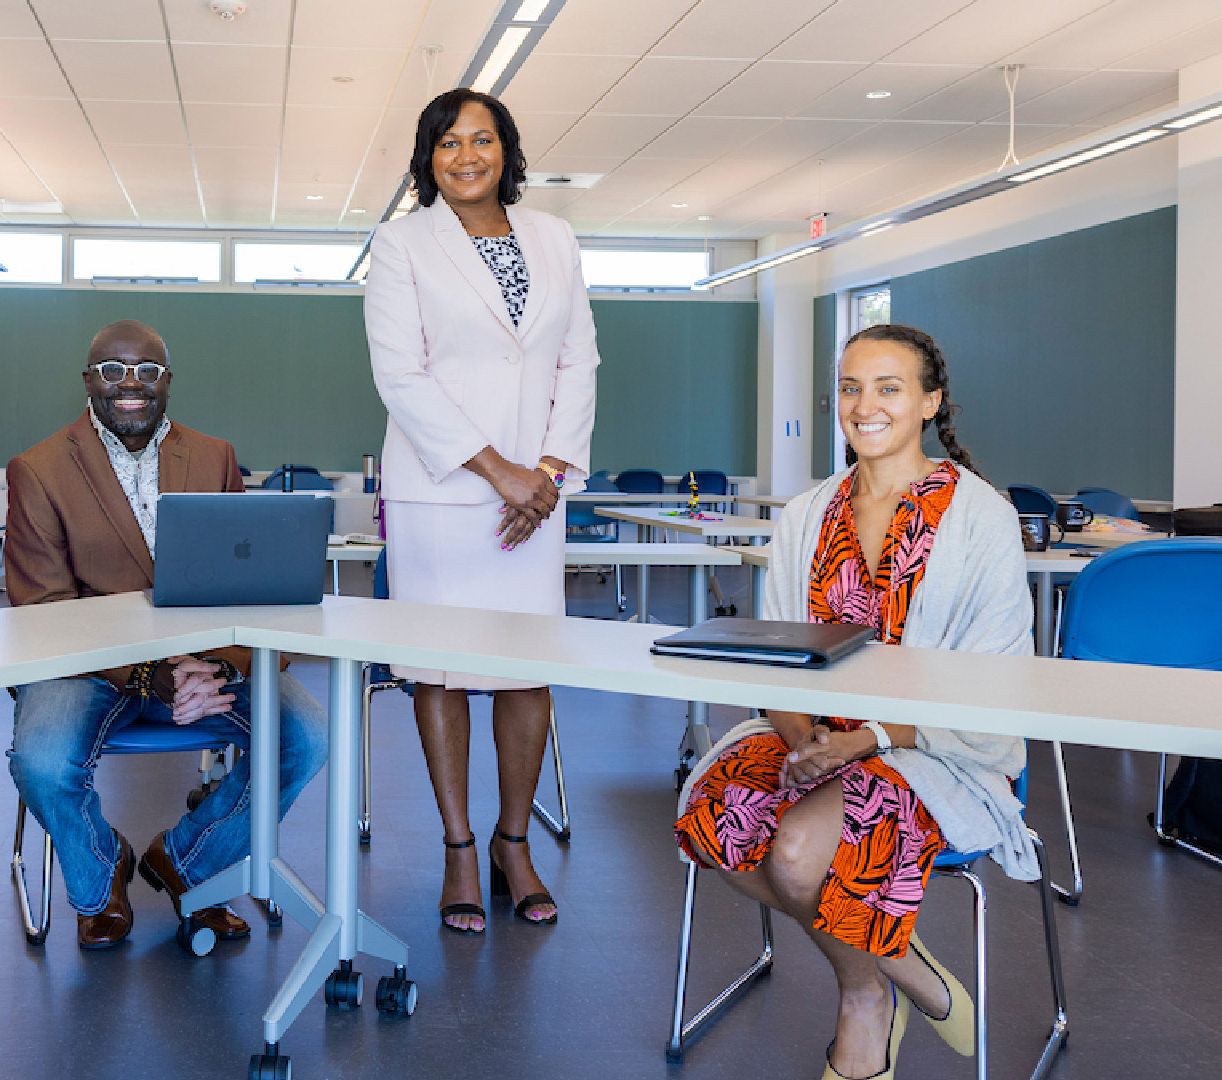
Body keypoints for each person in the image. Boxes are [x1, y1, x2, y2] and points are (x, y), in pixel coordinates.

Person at [675, 324, 1037, 1080]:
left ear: (931, 402)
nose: (863, 405)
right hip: (814, 734)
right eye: (849, 387)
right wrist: (806, 740)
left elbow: (991, 683)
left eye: (888, 387)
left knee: (801, 854)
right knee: (711, 815)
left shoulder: (981, 517)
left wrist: (863, 739)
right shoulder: (808, 514)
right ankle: (895, 974)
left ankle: (864, 1006)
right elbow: (772, 656)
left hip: (933, 747)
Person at [2, 319, 328, 950]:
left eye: (147, 370)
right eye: (113, 370)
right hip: (88, 666)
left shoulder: (213, 457)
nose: (131, 384)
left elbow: (252, 583)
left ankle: (188, 864)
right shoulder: (39, 469)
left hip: (207, 657)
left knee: (308, 737)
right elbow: (43, 611)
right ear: (88, 381)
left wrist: (224, 668)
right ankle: (103, 875)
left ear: (168, 381)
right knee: (40, 763)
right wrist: (154, 675)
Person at [363, 87, 600, 933]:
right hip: (444, 490)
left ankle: (514, 842)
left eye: (483, 139)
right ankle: (460, 849)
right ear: (428, 158)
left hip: (536, 494)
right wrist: (498, 470)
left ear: (508, 149)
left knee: (525, 670)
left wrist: (544, 473)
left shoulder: (555, 238)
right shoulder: (400, 246)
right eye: (448, 142)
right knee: (441, 669)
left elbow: (579, 361)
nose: (466, 155)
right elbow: (402, 375)